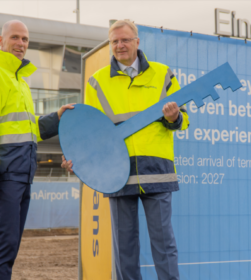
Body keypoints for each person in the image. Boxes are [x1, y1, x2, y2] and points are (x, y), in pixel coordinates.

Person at [61, 20, 189, 279]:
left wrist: (174, 117)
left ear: (137, 42)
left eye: (125, 40)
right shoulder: (97, 82)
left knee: (164, 247)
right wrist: (76, 157)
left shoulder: (163, 74)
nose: (120, 45)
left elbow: (183, 120)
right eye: (115, 41)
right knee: (124, 251)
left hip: (157, 173)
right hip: (116, 172)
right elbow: (90, 132)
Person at [0, 20, 74, 280]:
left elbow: (26, 129)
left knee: (10, 245)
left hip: (22, 174)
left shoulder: (19, 81)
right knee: (5, 246)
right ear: (0, 41)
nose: (21, 44)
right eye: (15, 37)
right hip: (4, 176)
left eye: (25, 39)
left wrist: (56, 118)